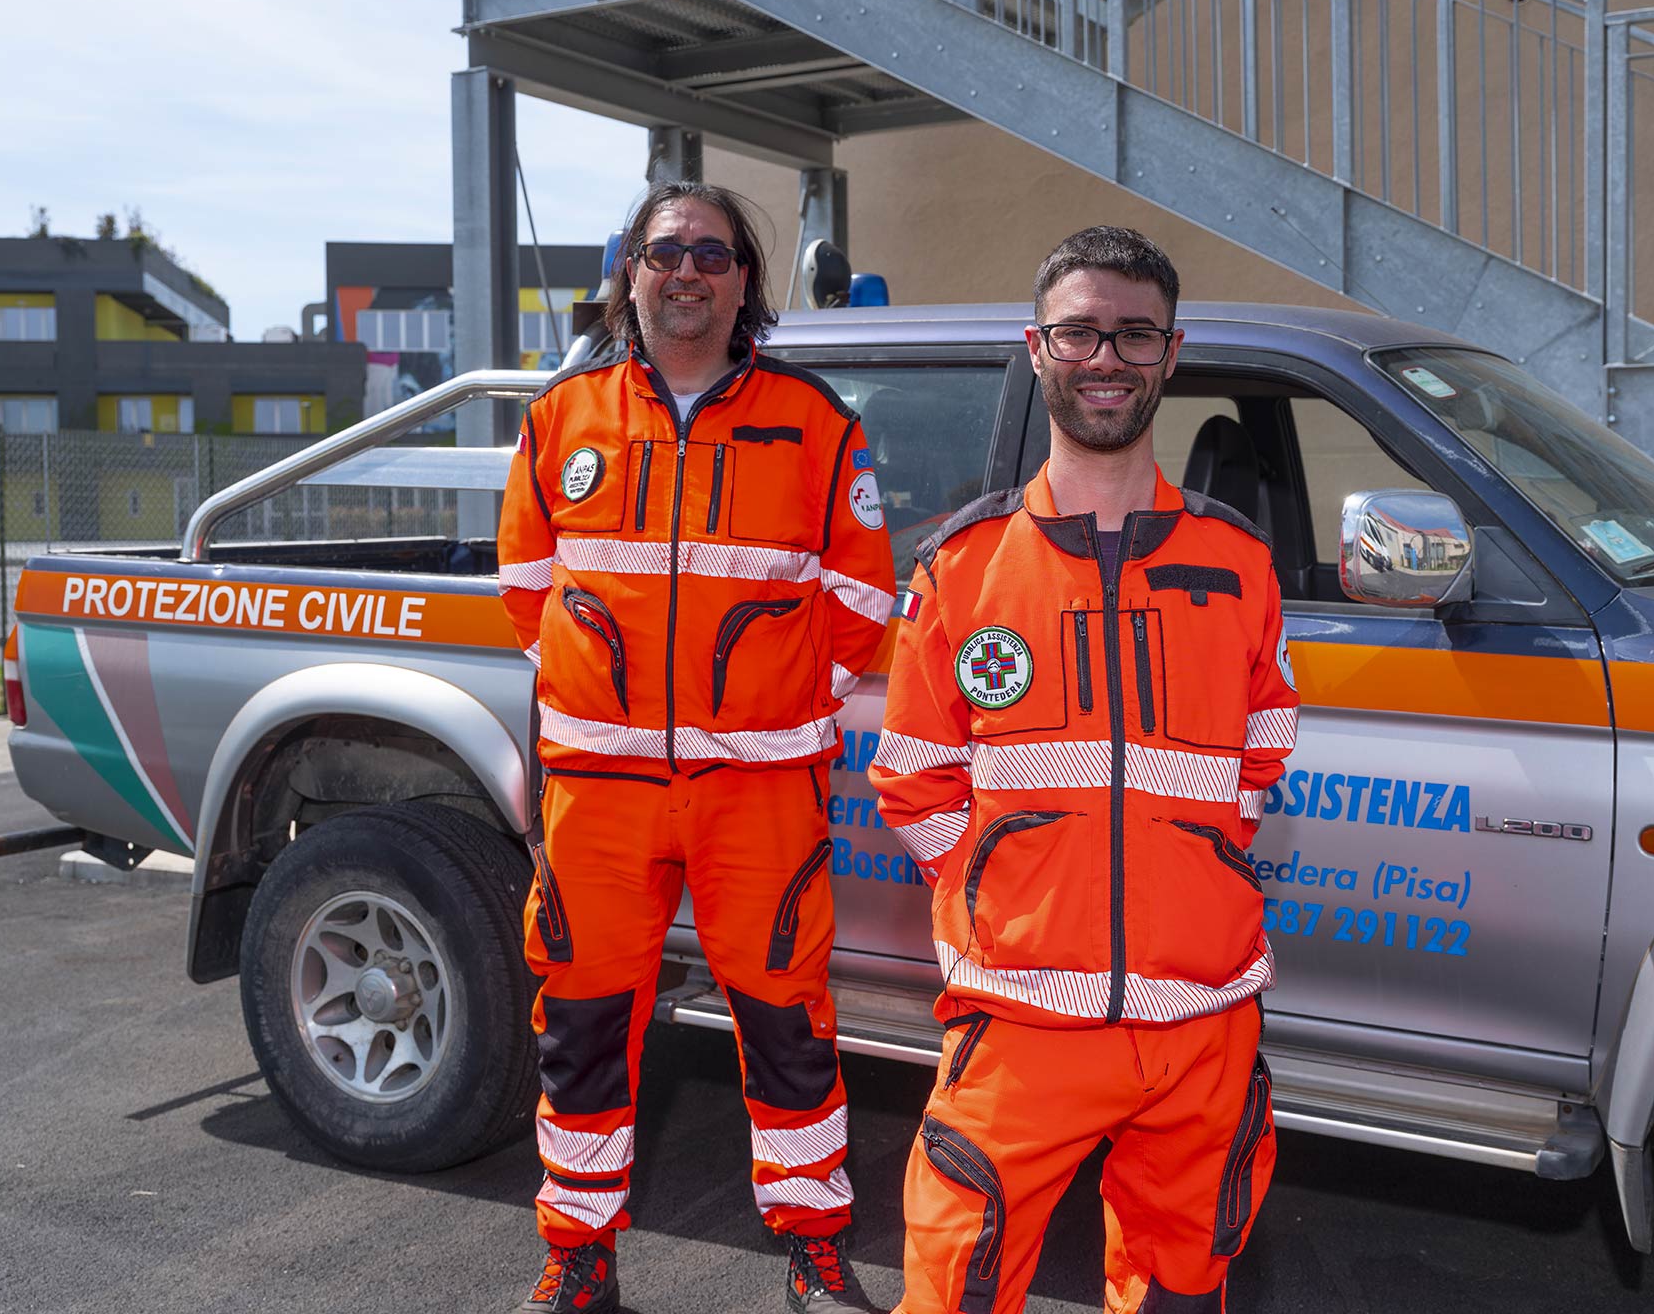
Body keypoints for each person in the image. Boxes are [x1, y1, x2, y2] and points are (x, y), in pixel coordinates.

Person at [869, 226, 1299, 1313]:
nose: (1105, 357)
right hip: (1020, 1022)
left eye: (1133, 333)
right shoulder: (963, 569)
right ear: (1037, 347)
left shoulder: (1239, 563)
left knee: (1181, 1292)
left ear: (1169, 351)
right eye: (1079, 332)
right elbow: (914, 780)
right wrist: (1003, 890)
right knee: (954, 1286)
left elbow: (1263, 755)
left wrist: (1195, 876)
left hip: (1201, 1025)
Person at [497, 181, 897, 1314]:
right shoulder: (563, 415)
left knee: (788, 1023)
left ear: (743, 282)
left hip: (759, 792)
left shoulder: (818, 422)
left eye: (712, 254)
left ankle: (815, 1254)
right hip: (600, 793)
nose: (687, 270)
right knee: (580, 1022)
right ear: (631, 273)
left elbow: (863, 601)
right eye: (666, 250)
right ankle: (578, 1256)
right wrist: (607, 696)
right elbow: (530, 593)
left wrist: (765, 707)